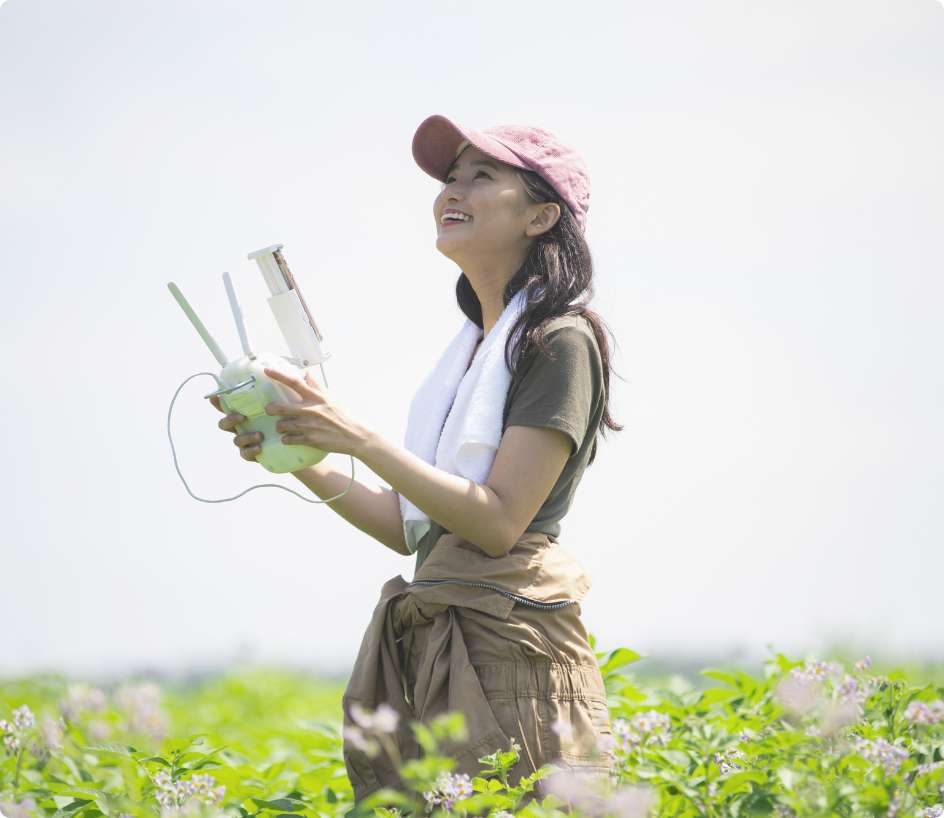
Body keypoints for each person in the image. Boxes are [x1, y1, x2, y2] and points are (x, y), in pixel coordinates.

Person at [210, 113, 624, 806]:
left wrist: (356, 435)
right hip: (450, 642)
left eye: (481, 175)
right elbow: (409, 527)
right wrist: (298, 447)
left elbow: (495, 525)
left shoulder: (559, 342)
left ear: (542, 215)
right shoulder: (468, 356)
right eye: (450, 177)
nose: (451, 190)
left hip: (512, 647)